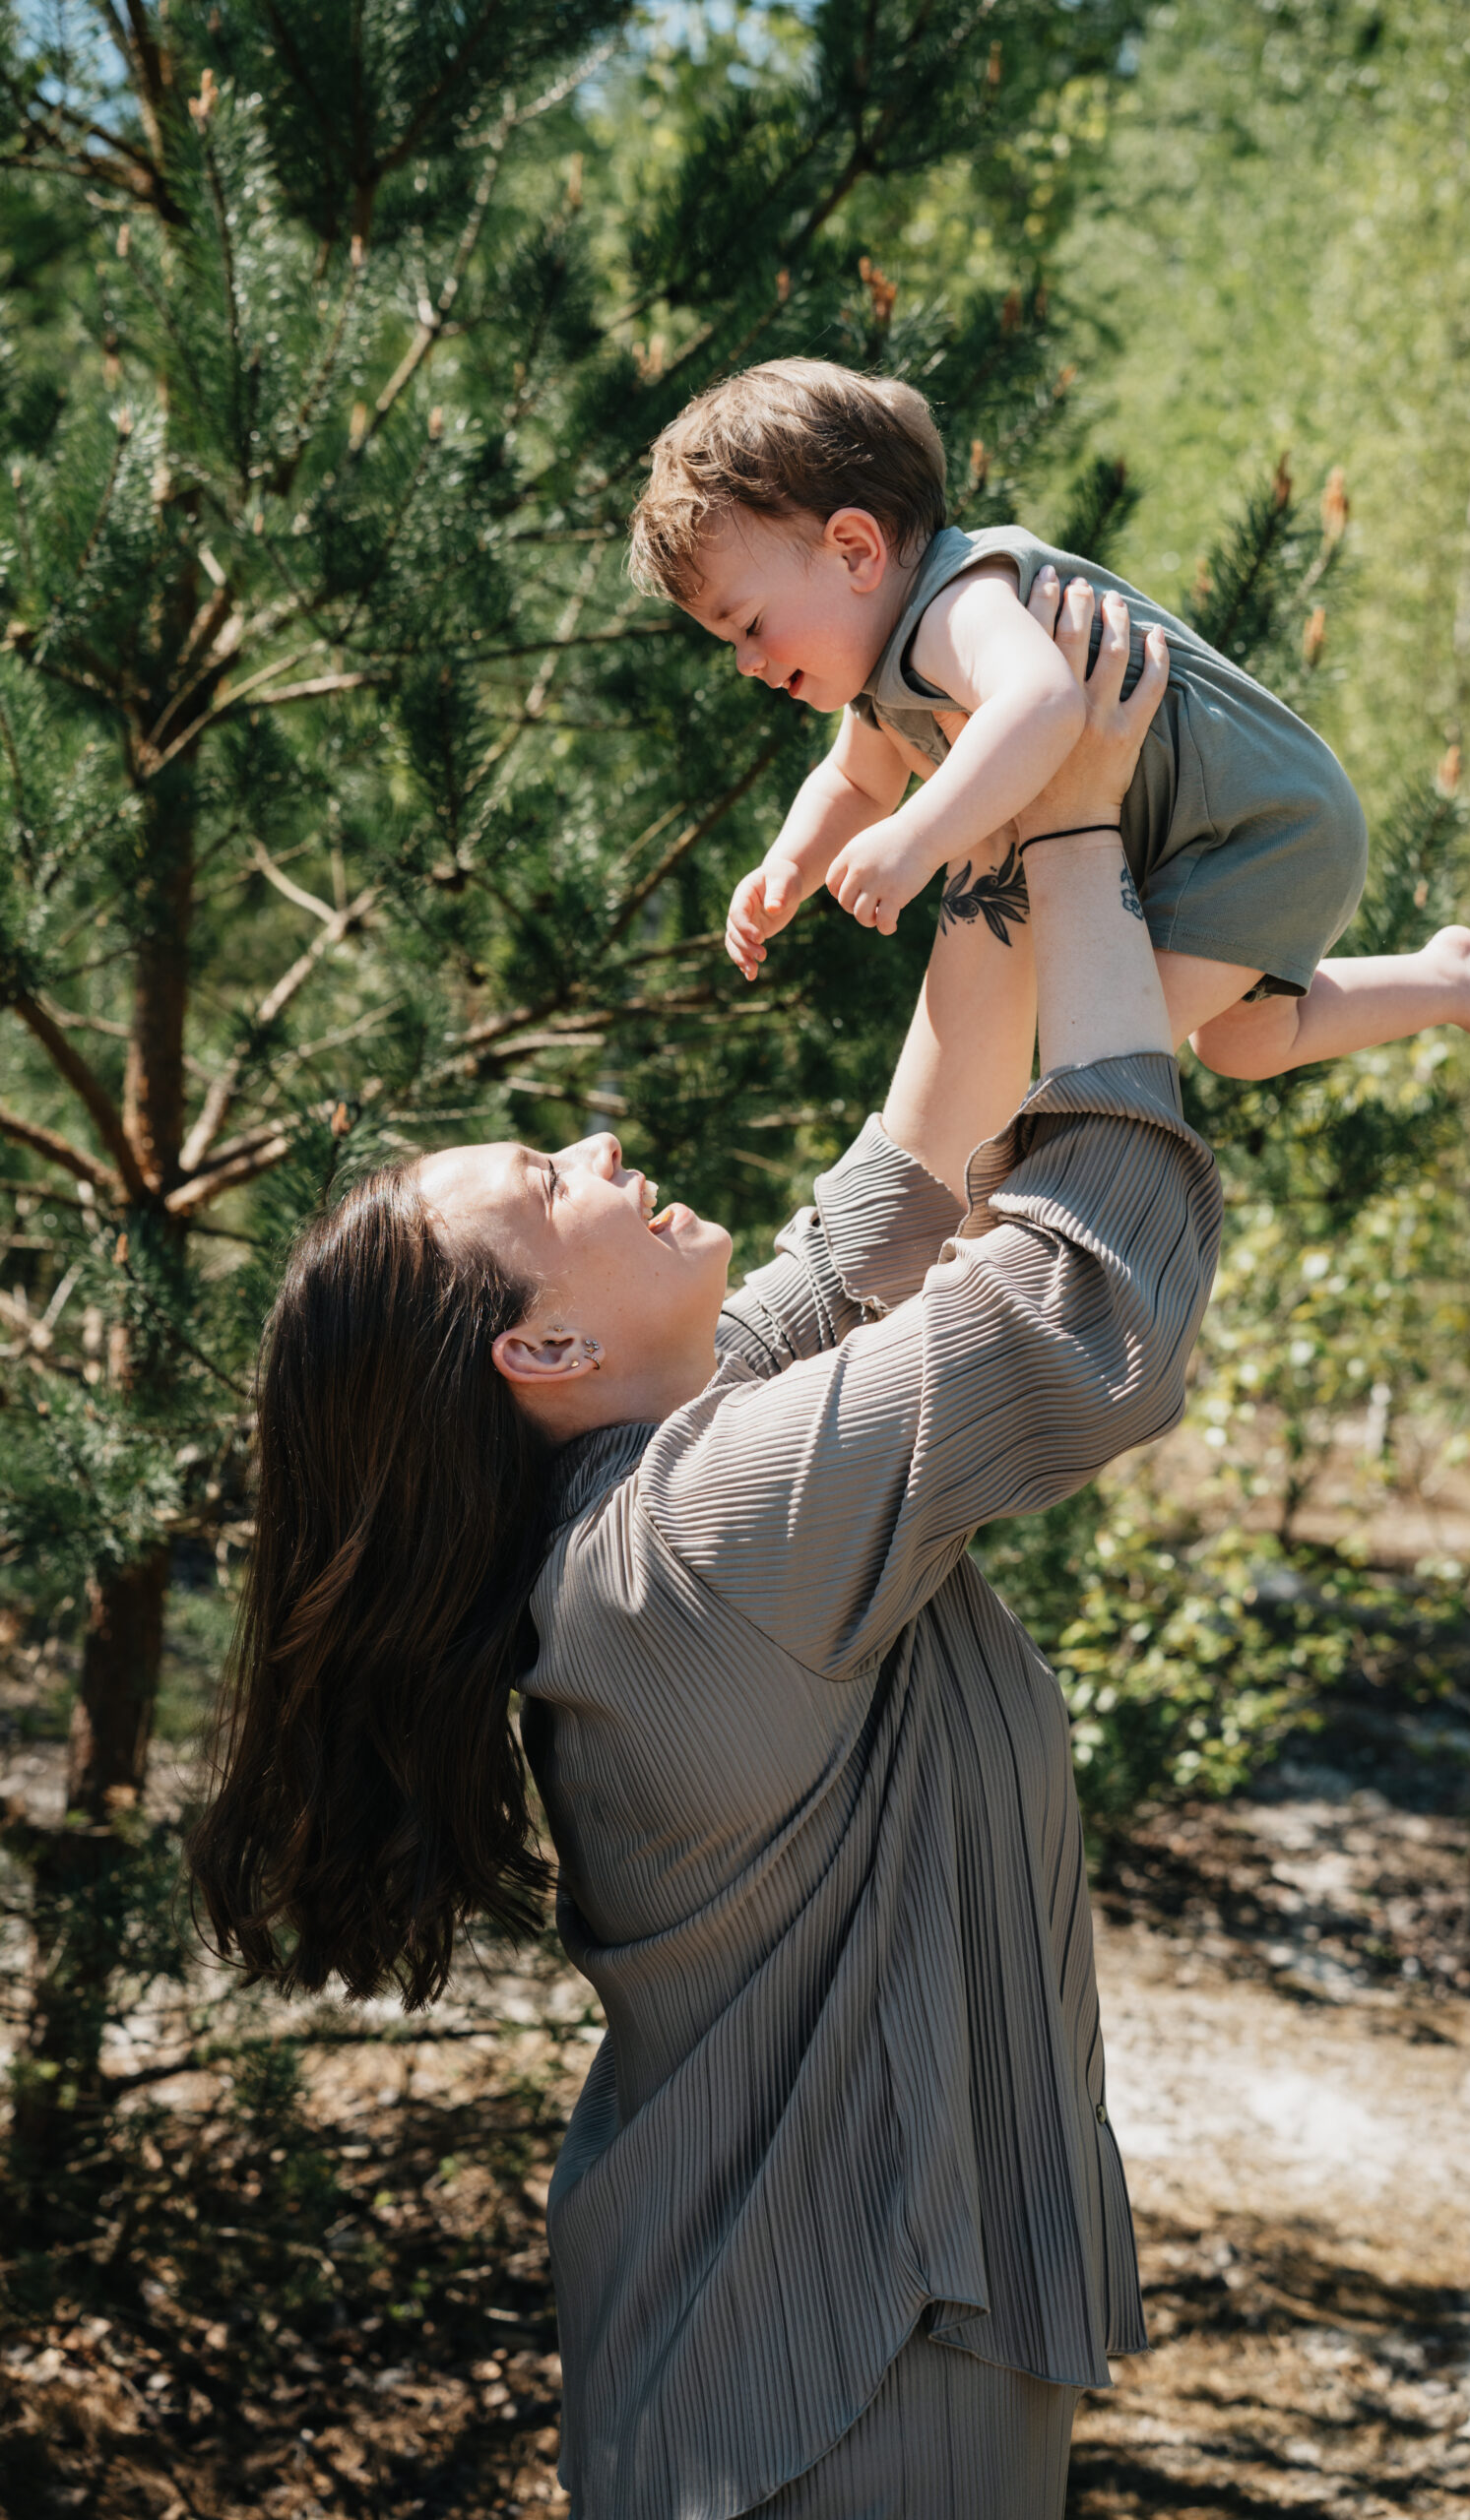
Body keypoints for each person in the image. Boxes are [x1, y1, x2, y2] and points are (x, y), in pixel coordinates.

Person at [189, 585, 1222, 2519]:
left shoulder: (663, 1463)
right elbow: (1084, 1317)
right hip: (833, 2396)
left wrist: (984, 784)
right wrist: (1077, 851)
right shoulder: (691, 1541)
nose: (594, 1139)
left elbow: (897, 1189)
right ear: (542, 1349)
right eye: (542, 1183)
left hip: (808, 2353)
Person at [628, 355, 1470, 1080]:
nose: (749, 662)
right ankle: (1448, 978)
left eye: (747, 625)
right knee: (1242, 1047)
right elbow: (850, 780)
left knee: (1104, 1048)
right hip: (1217, 836)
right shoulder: (887, 668)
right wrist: (786, 870)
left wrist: (916, 840)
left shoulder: (956, 607)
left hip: (1261, 827)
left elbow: (1039, 703)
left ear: (854, 549)